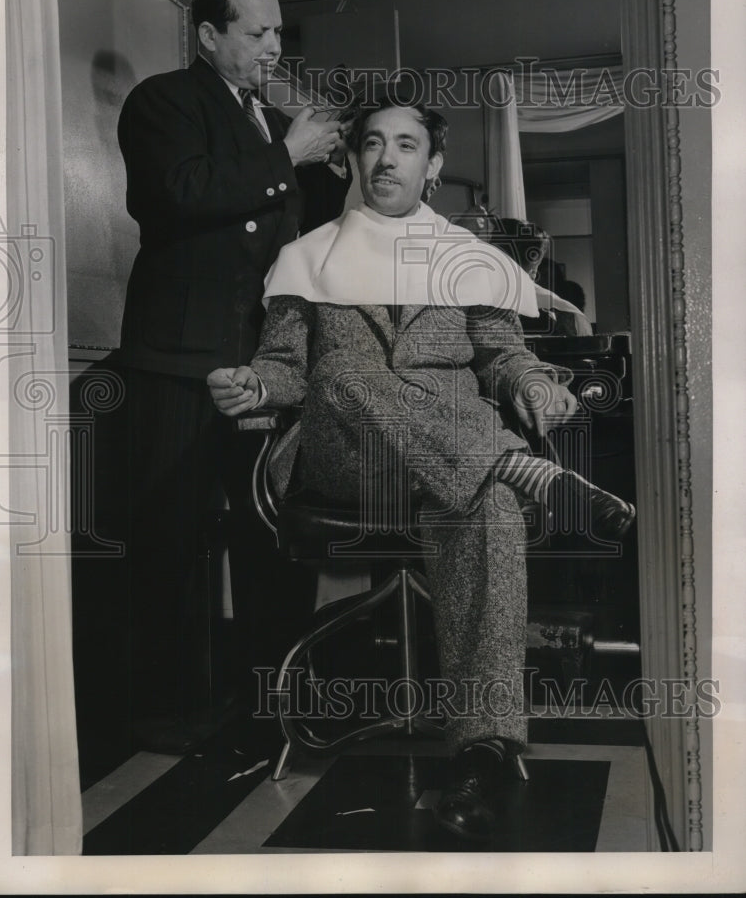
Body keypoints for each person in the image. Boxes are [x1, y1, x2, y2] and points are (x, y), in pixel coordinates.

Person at [208, 93, 635, 839]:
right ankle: (523, 470)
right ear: (350, 158)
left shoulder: (473, 262)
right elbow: (285, 368)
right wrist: (254, 384)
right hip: (350, 456)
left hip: (451, 463)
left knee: (488, 505)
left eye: (405, 145)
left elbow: (502, 358)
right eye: (372, 143)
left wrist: (534, 384)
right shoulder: (305, 257)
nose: (385, 158)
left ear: (431, 166)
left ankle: (483, 751)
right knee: (344, 375)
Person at [115, 0, 352, 753]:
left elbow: (282, 232)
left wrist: (329, 170)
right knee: (171, 543)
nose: (272, 46)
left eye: (278, 31)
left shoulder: (260, 119)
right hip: (178, 362)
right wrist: (287, 152)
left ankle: (273, 698)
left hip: (260, 365)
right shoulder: (161, 103)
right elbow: (178, 195)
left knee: (268, 535)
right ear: (208, 34)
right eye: (255, 32)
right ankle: (165, 713)